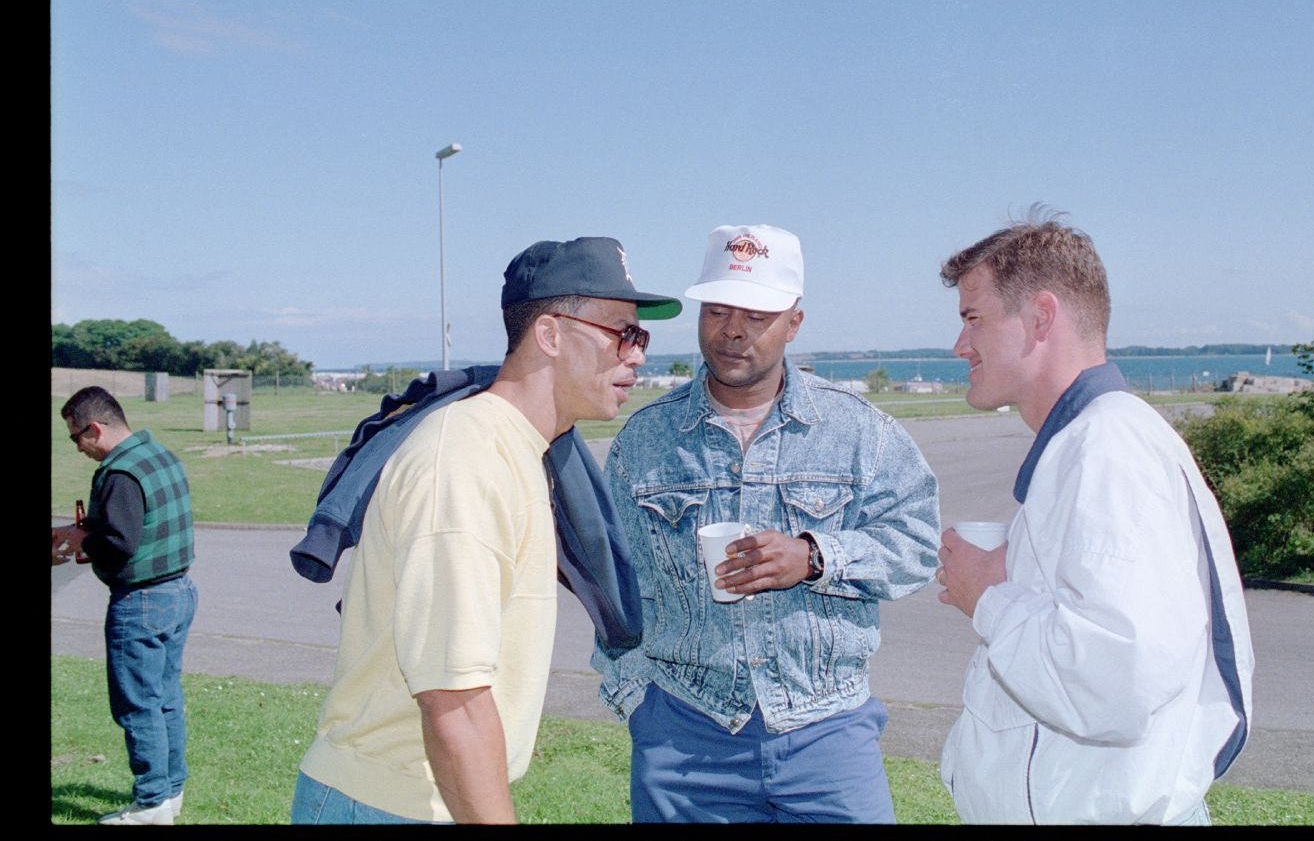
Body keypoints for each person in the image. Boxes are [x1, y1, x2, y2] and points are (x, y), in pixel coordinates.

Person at [292, 236, 680, 824]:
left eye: (641, 336)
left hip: (424, 794)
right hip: (389, 801)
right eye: (622, 332)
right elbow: (454, 700)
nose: (638, 355)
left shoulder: (521, 449)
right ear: (550, 334)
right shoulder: (466, 461)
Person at [593, 223, 941, 823]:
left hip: (828, 732)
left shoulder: (860, 433)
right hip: (685, 737)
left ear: (794, 323)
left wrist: (813, 557)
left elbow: (916, 546)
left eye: (756, 314)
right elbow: (612, 589)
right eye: (718, 310)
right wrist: (637, 701)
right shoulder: (644, 443)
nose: (732, 330)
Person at [933, 207, 1254, 825]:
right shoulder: (1094, 439)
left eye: (973, 319)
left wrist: (989, 597)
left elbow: (1114, 681)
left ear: (1041, 317)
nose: (959, 345)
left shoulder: (1106, 450)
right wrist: (1017, 576)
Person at [54, 386, 198, 826]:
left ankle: (151, 803)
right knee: (165, 697)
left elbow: (120, 541)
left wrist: (84, 541)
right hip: (178, 591)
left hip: (141, 602)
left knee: (136, 705)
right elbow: (136, 522)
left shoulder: (117, 473)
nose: (78, 447)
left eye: (76, 437)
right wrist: (77, 532)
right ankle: (170, 793)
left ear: (95, 428)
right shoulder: (157, 454)